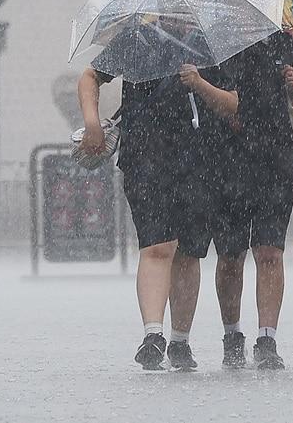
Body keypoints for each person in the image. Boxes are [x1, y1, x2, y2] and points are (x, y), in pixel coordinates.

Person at [77, 50, 220, 371]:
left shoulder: (207, 44)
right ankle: (153, 334)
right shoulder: (137, 38)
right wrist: (91, 123)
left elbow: (232, 96)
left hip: (200, 156)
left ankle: (180, 340)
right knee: (157, 245)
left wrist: (199, 83)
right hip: (145, 155)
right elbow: (90, 77)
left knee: (189, 252)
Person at [177, 29, 293, 370]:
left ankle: (267, 339)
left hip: (276, 158)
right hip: (228, 159)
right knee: (231, 254)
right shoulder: (216, 43)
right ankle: (232, 335)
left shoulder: (282, 40)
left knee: (269, 250)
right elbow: (224, 102)